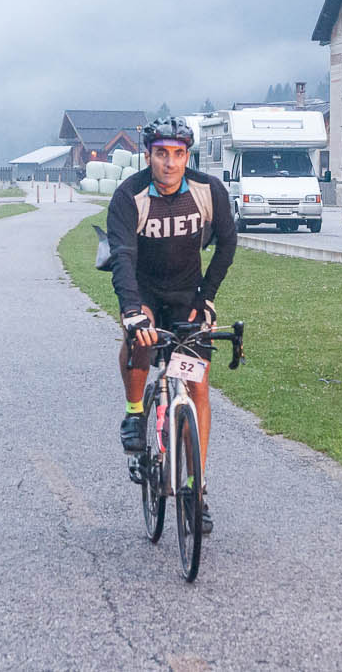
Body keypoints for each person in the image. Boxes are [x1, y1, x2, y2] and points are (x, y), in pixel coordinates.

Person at [105, 115, 237, 535]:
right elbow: (122, 257)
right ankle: (134, 411)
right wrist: (132, 311)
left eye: (178, 154)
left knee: (198, 386)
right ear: (148, 156)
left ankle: (196, 489)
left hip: (186, 296)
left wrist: (207, 297)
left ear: (187, 156)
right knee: (140, 339)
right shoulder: (129, 196)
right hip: (144, 289)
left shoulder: (207, 191)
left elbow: (228, 244)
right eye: (161, 154)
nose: (169, 162)